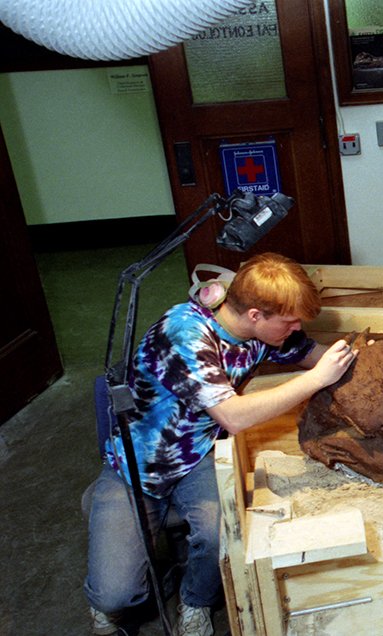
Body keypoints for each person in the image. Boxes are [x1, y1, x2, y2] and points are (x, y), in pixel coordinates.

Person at [84, 252, 360, 635]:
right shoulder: (184, 332)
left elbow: (315, 356)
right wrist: (316, 380)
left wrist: (369, 363)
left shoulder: (261, 330)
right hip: (139, 464)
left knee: (224, 535)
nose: (297, 328)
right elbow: (234, 416)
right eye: (290, 320)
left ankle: (194, 600)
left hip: (197, 454)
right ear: (255, 315)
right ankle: (111, 529)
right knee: (116, 597)